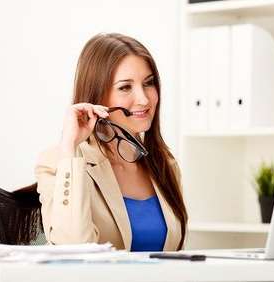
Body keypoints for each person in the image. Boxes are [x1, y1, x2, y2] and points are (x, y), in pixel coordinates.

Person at [34, 33, 187, 251]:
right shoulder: (58, 162)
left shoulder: (165, 165)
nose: (143, 99)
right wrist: (69, 149)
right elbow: (72, 250)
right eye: (125, 87)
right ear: (98, 97)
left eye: (149, 83)